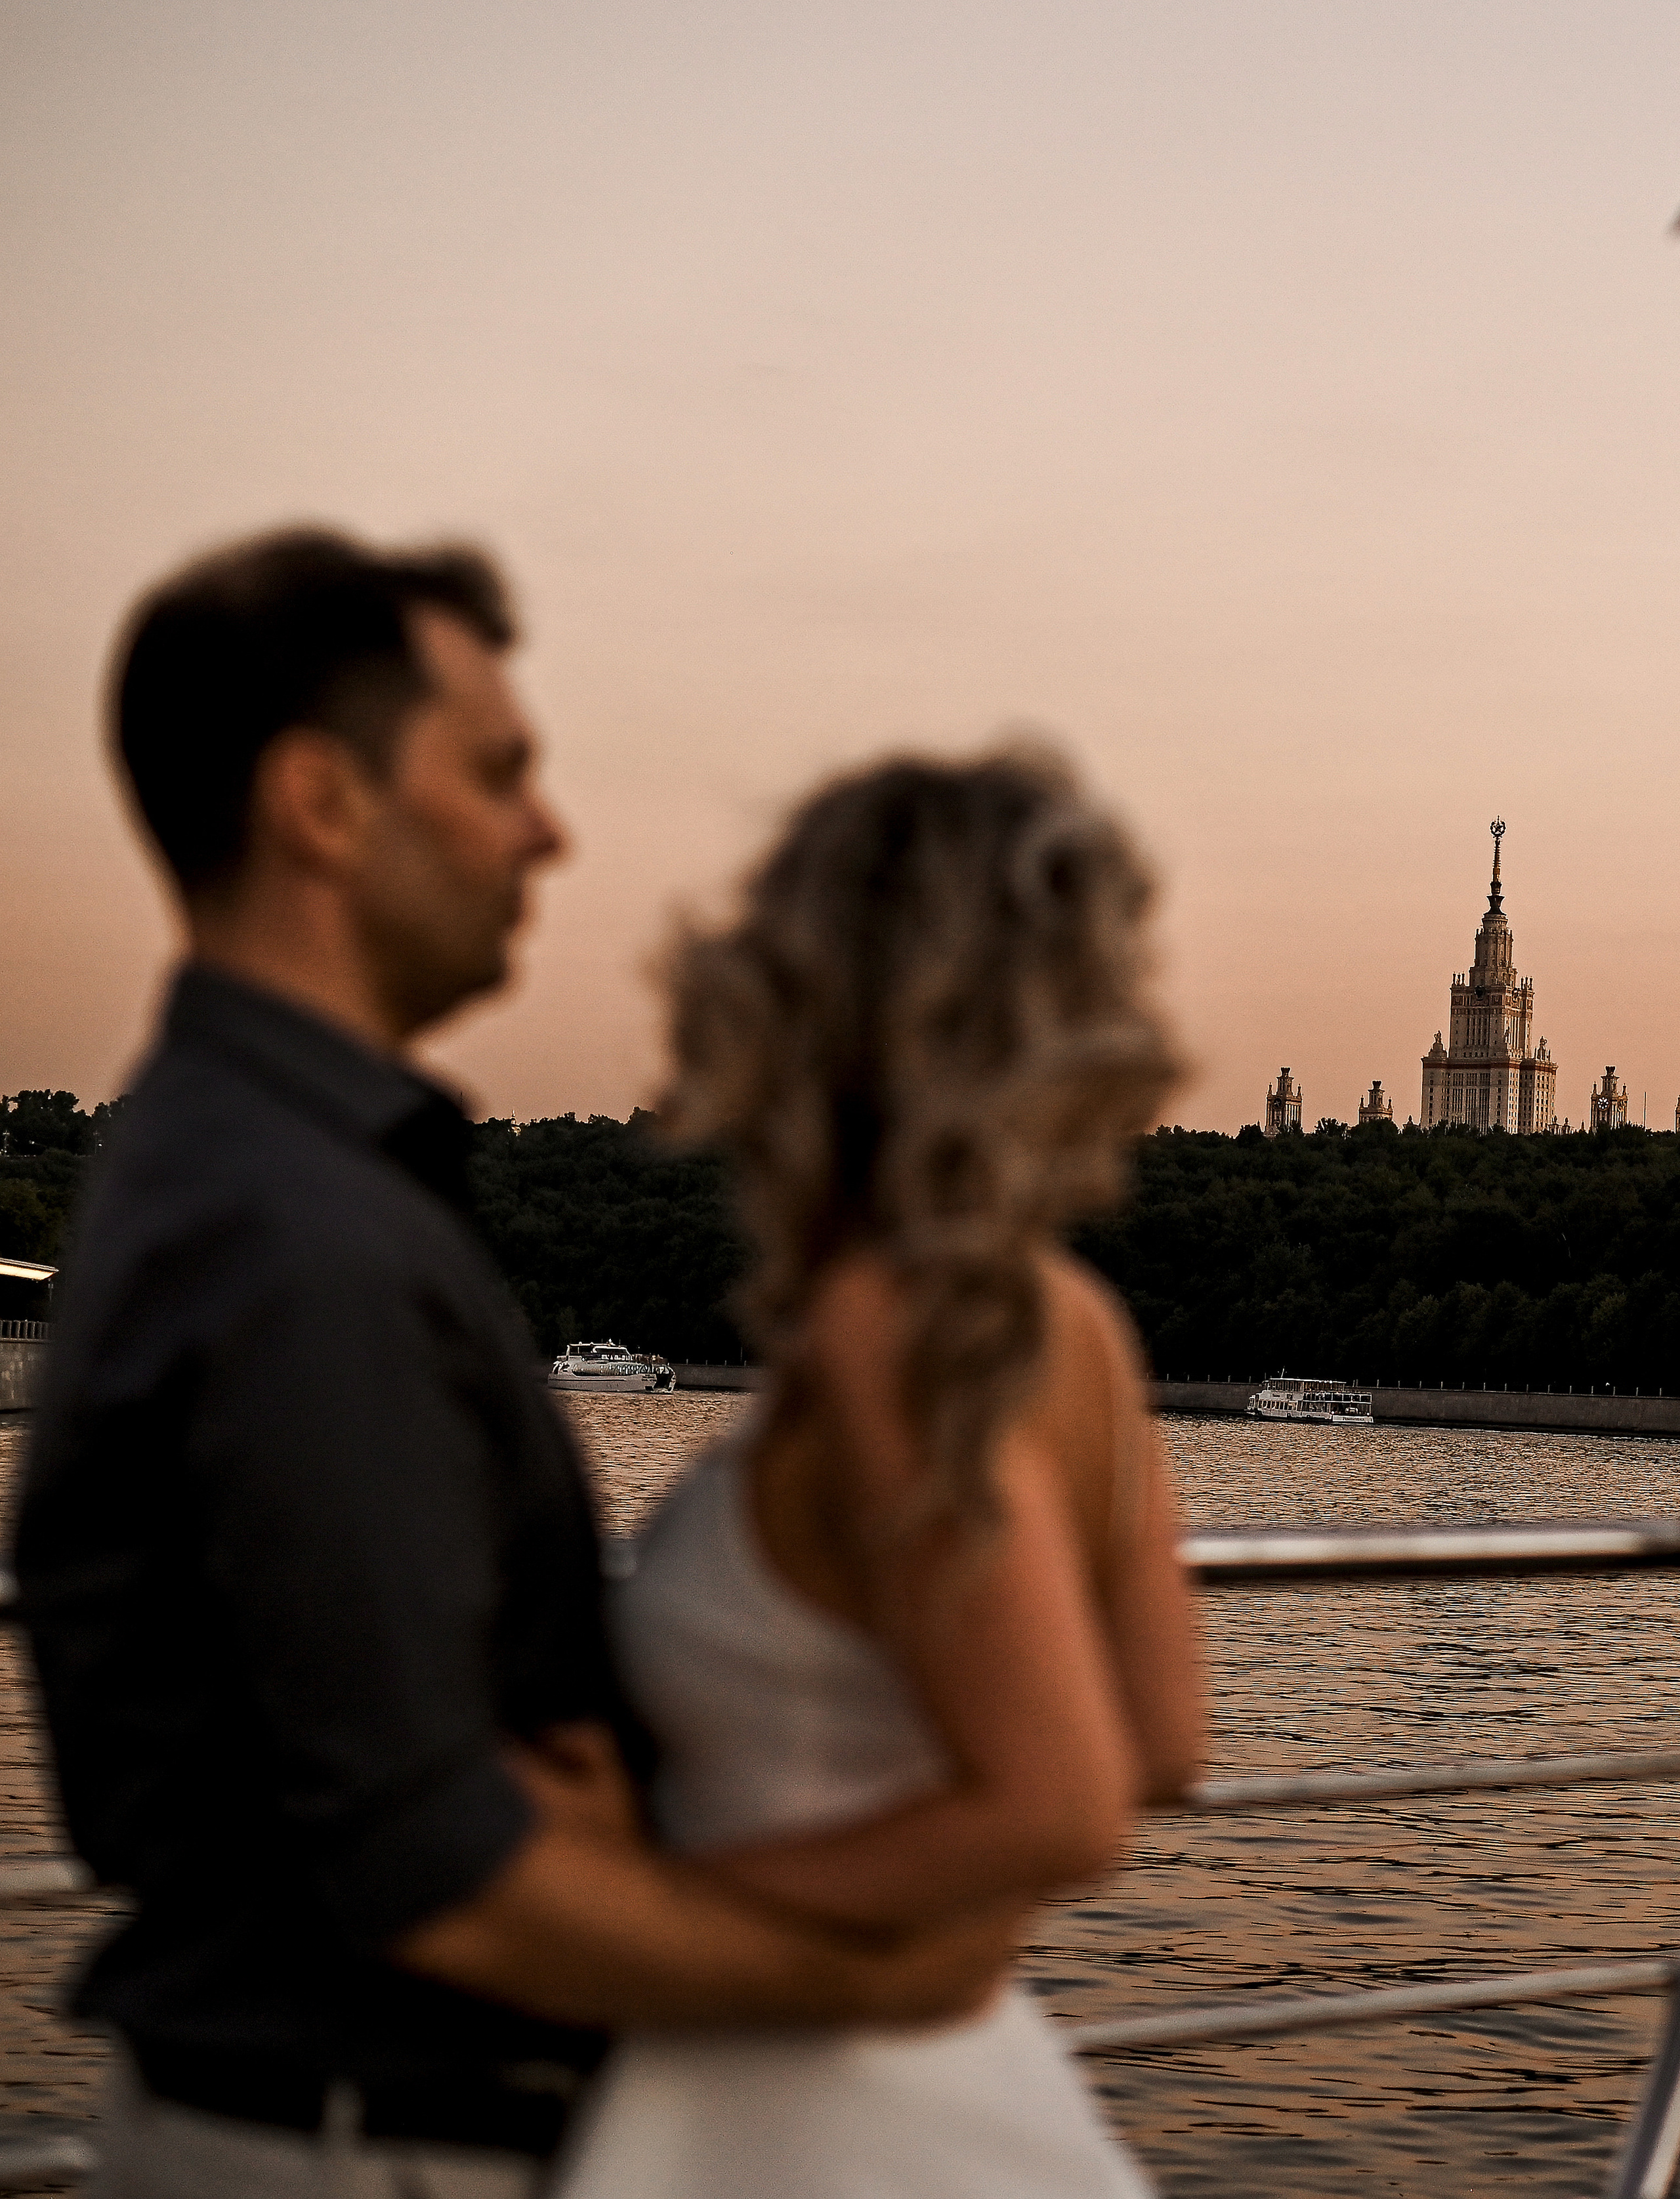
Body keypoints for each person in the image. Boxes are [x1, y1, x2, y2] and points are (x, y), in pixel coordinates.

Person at [14, 530, 1011, 2199]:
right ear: (318, 805)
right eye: (497, 771)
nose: (546, 829)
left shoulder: (237, 1167)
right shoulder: (296, 1234)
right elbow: (435, 1871)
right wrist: (875, 1990)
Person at [553, 749, 1206, 2197]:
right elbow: (1158, 1734)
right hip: (961, 2071)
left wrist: (619, 1905)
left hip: (811, 2111)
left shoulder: (879, 1327)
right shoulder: (1070, 1319)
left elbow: (1062, 1799)